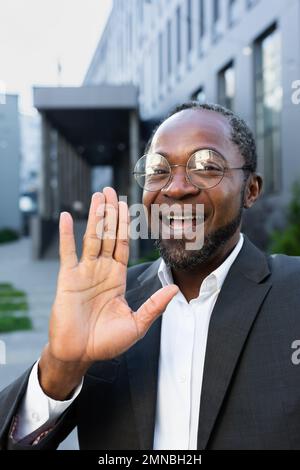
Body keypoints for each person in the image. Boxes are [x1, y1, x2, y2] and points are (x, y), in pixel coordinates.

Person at [0, 102, 300, 450]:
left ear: (251, 189)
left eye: (205, 166)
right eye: (158, 169)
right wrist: (61, 366)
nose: (175, 188)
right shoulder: (109, 303)